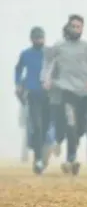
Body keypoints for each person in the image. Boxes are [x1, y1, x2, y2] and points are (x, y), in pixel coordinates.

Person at [42, 15, 87, 175]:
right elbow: (48, 62)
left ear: (82, 28)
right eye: (73, 26)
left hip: (85, 92)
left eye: (79, 26)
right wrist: (46, 78)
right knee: (71, 124)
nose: (76, 29)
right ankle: (71, 159)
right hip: (67, 90)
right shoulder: (59, 46)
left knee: (81, 128)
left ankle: (73, 150)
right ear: (68, 27)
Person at [15, 26, 50, 174]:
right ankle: (38, 160)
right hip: (33, 94)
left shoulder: (50, 54)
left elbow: (57, 69)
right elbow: (18, 69)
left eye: (41, 38)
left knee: (46, 128)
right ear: (31, 39)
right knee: (37, 127)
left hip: (49, 95)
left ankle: (42, 156)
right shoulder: (26, 54)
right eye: (36, 38)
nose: (39, 40)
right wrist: (18, 84)